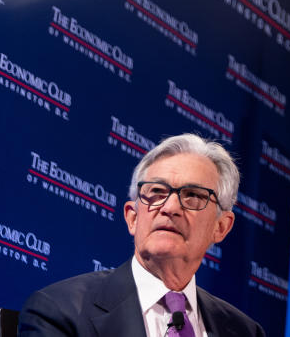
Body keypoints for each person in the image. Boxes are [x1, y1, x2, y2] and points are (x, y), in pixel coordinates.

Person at [18, 133, 265, 337]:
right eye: (157, 191)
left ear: (221, 227)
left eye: (193, 195)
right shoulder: (60, 311)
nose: (169, 208)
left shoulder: (245, 332)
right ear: (133, 218)